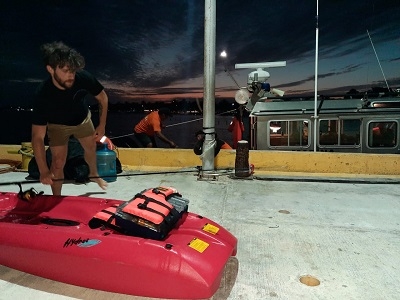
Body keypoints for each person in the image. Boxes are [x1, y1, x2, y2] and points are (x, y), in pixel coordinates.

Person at [31, 41, 108, 195]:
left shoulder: (83, 77)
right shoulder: (42, 94)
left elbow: (103, 99)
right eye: (66, 71)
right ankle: (56, 198)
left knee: (91, 147)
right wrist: (43, 170)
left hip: (82, 119)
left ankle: (93, 173)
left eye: (73, 71)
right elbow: (37, 137)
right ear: (51, 69)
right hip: (57, 125)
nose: (71, 75)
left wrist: (102, 126)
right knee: (58, 163)